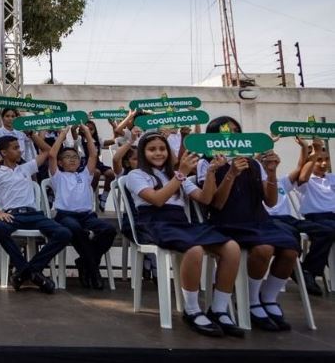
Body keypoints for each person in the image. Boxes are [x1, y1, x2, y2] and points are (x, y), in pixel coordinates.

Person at [125, 132, 242, 338]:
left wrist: (212, 172)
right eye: (152, 149)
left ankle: (218, 308)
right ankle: (192, 309)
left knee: (231, 248)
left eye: (162, 149)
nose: (158, 153)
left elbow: (205, 199)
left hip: (181, 224)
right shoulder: (136, 175)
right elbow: (157, 200)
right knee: (194, 249)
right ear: (143, 152)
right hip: (155, 223)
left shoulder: (176, 174)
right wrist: (181, 174)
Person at [195, 117, 300, 332]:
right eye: (225, 132)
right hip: (227, 222)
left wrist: (271, 172)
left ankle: (268, 298)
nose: (231, 136)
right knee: (264, 249)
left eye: (235, 131)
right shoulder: (207, 163)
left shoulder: (253, 163)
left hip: (258, 220)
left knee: (290, 249)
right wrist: (231, 173)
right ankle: (252, 302)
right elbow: (216, 204)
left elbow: (270, 201)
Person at [0, 136, 69, 294]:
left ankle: (26, 272)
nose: (19, 150)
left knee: (64, 233)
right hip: (12, 215)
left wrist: (32, 134)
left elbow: (48, 151)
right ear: (4, 152)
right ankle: (33, 274)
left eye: (19, 147)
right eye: (15, 148)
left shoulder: (26, 168)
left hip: (34, 214)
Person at [49, 126, 117, 290]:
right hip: (65, 216)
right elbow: (51, 154)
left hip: (87, 216)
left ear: (80, 161)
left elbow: (93, 154)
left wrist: (87, 133)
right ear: (60, 162)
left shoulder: (85, 175)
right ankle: (94, 271)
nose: (72, 159)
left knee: (109, 230)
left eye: (75, 157)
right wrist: (63, 135)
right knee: (75, 228)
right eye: (67, 157)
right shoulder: (58, 176)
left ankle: (85, 262)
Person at [266, 137, 334, 296]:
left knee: (327, 231)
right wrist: (268, 142)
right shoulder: (255, 182)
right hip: (270, 220)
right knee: (291, 236)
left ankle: (306, 271)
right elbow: (303, 177)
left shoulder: (282, 181)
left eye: (274, 160)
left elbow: (299, 166)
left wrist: (305, 147)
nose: (272, 162)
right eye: (268, 161)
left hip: (289, 219)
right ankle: (297, 271)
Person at [295, 137, 335, 293]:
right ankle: (309, 271)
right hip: (316, 217)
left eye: (326, 160)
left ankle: (308, 271)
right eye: (319, 160)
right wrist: (312, 152)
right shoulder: (306, 180)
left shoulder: (331, 178)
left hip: (332, 216)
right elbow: (302, 176)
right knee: (329, 230)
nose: (324, 164)